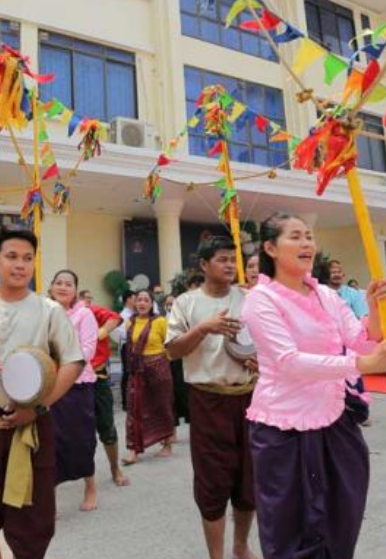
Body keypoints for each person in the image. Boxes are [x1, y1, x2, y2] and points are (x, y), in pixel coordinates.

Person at [242, 213, 386, 559]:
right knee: (291, 525)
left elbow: (363, 339)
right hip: (283, 425)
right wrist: (363, 365)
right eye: (296, 237)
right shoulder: (261, 300)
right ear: (270, 248)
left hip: (334, 418)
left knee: (341, 512)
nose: (306, 244)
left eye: (309, 236)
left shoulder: (328, 296)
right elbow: (289, 362)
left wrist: (377, 307)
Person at [0, 226, 84, 559]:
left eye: (27, 258)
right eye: (12, 256)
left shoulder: (49, 310)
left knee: (32, 521)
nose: (20, 265)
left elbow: (73, 362)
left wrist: (38, 409)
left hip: (32, 429)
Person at [165, 237, 258, 559]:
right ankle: (215, 555)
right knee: (213, 481)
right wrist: (204, 328)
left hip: (250, 398)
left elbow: (269, 347)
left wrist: (260, 363)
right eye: (222, 259)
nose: (231, 265)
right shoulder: (186, 304)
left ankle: (241, 546)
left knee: (249, 480)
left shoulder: (249, 299)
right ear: (204, 265)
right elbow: (173, 351)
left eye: (234, 259)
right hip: (207, 400)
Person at [48, 270, 101, 511]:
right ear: (51, 287)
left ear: (75, 290)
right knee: (51, 440)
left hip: (78, 384)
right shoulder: (44, 313)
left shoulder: (84, 314)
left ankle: (90, 486)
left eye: (68, 284)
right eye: (58, 283)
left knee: (81, 438)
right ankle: (51, 495)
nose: (62, 287)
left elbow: (88, 350)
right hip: (49, 384)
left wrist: (58, 360)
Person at [78, 290, 129, 488]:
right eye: (59, 285)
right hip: (70, 378)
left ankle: (115, 468)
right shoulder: (54, 314)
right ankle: (83, 478)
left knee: (107, 426)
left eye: (68, 285)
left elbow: (114, 318)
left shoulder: (89, 311)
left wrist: (100, 333)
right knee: (75, 432)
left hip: (97, 377)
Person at [122, 288, 174, 465]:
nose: (142, 303)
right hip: (137, 369)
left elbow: (170, 344)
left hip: (158, 367)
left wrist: (162, 363)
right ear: (134, 303)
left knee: (162, 405)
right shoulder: (130, 322)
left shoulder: (160, 322)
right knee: (134, 408)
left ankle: (167, 443)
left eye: (146, 300)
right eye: (139, 300)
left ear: (152, 304)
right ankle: (133, 449)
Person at [164, 295, 189, 432]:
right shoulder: (161, 318)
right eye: (167, 304)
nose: (170, 306)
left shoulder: (183, 317)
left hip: (180, 357)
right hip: (166, 359)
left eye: (172, 303)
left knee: (182, 389)